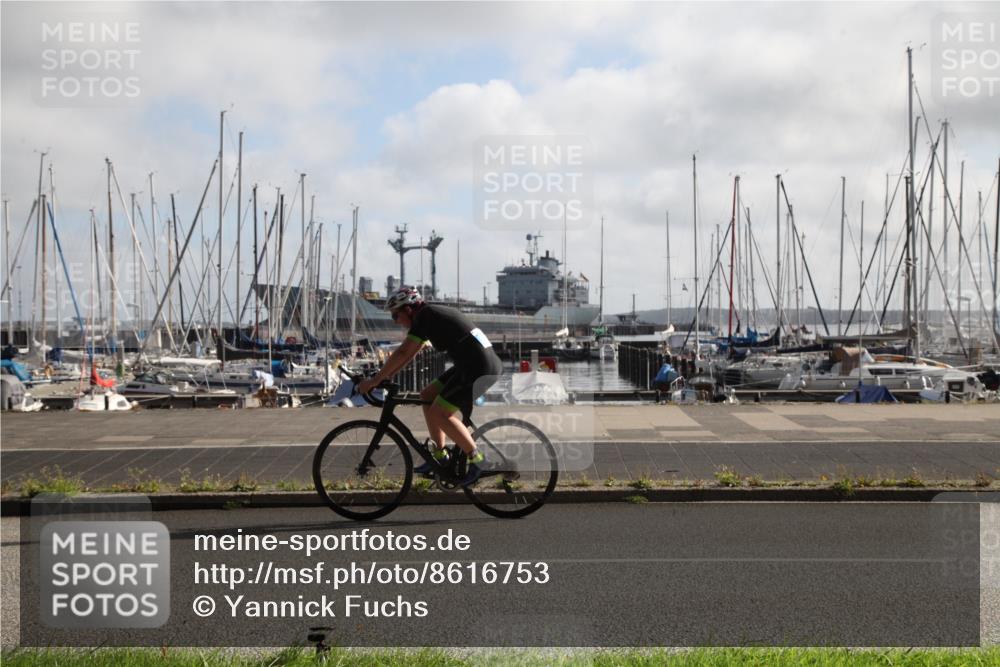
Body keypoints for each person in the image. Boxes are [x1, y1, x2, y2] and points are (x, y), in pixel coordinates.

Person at [357, 286, 502, 486]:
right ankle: (440, 456)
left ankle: (478, 460)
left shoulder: (425, 317)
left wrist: (374, 381)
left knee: (439, 413)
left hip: (478, 368)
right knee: (428, 395)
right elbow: (410, 353)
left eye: (395, 316)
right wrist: (386, 375)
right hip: (473, 364)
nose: (396, 322)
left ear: (408, 309)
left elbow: (403, 352)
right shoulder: (430, 315)